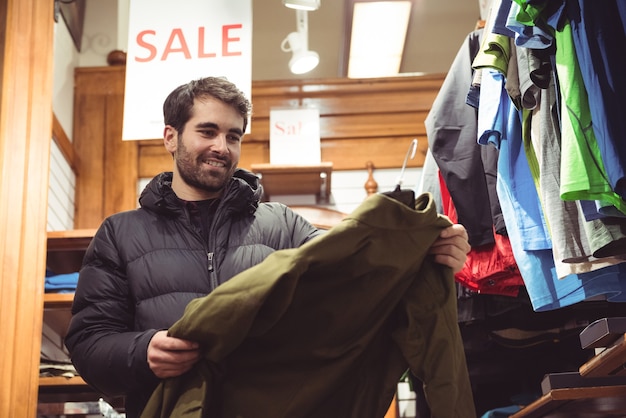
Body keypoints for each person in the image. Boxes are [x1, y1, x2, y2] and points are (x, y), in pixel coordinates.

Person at [64, 76, 471, 418]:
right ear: (171, 137)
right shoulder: (120, 234)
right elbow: (88, 344)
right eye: (207, 131)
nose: (221, 147)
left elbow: (359, 286)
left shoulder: (284, 226)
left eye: (233, 135)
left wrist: (426, 256)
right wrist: (142, 351)